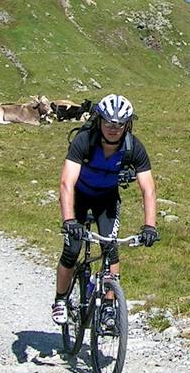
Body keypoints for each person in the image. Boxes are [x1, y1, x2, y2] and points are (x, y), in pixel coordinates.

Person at [53, 94, 157, 329]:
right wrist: (69, 220)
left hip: (107, 199)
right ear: (99, 120)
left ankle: (109, 307)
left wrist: (150, 226)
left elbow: (148, 189)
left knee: (111, 250)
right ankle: (60, 300)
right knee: (72, 249)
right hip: (79, 196)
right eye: (109, 122)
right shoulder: (84, 141)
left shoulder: (133, 147)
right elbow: (66, 183)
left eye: (120, 124)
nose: (114, 128)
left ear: (127, 124)